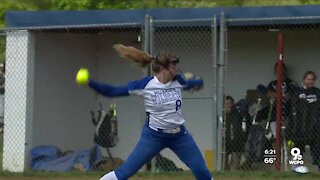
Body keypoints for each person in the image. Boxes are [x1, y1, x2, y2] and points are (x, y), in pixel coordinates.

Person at [76, 44, 213, 180]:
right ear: (163, 69)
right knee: (125, 172)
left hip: (180, 136)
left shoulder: (179, 80)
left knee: (202, 172)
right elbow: (112, 91)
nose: (177, 69)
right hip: (154, 137)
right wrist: (90, 82)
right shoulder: (146, 85)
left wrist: (195, 80)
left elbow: (198, 83)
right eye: (173, 66)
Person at [287, 71, 320, 171]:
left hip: (314, 126)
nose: (311, 82)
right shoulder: (296, 92)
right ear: (304, 79)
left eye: (313, 80)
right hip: (299, 126)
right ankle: (295, 168)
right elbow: (291, 108)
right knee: (297, 147)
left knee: (317, 148)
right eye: (309, 79)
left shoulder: (317, 92)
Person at [224, 96, 249, 170]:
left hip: (236, 144)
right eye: (226, 104)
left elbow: (243, 103)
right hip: (226, 144)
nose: (228, 106)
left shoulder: (237, 115)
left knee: (234, 167)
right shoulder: (222, 116)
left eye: (229, 104)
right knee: (223, 166)